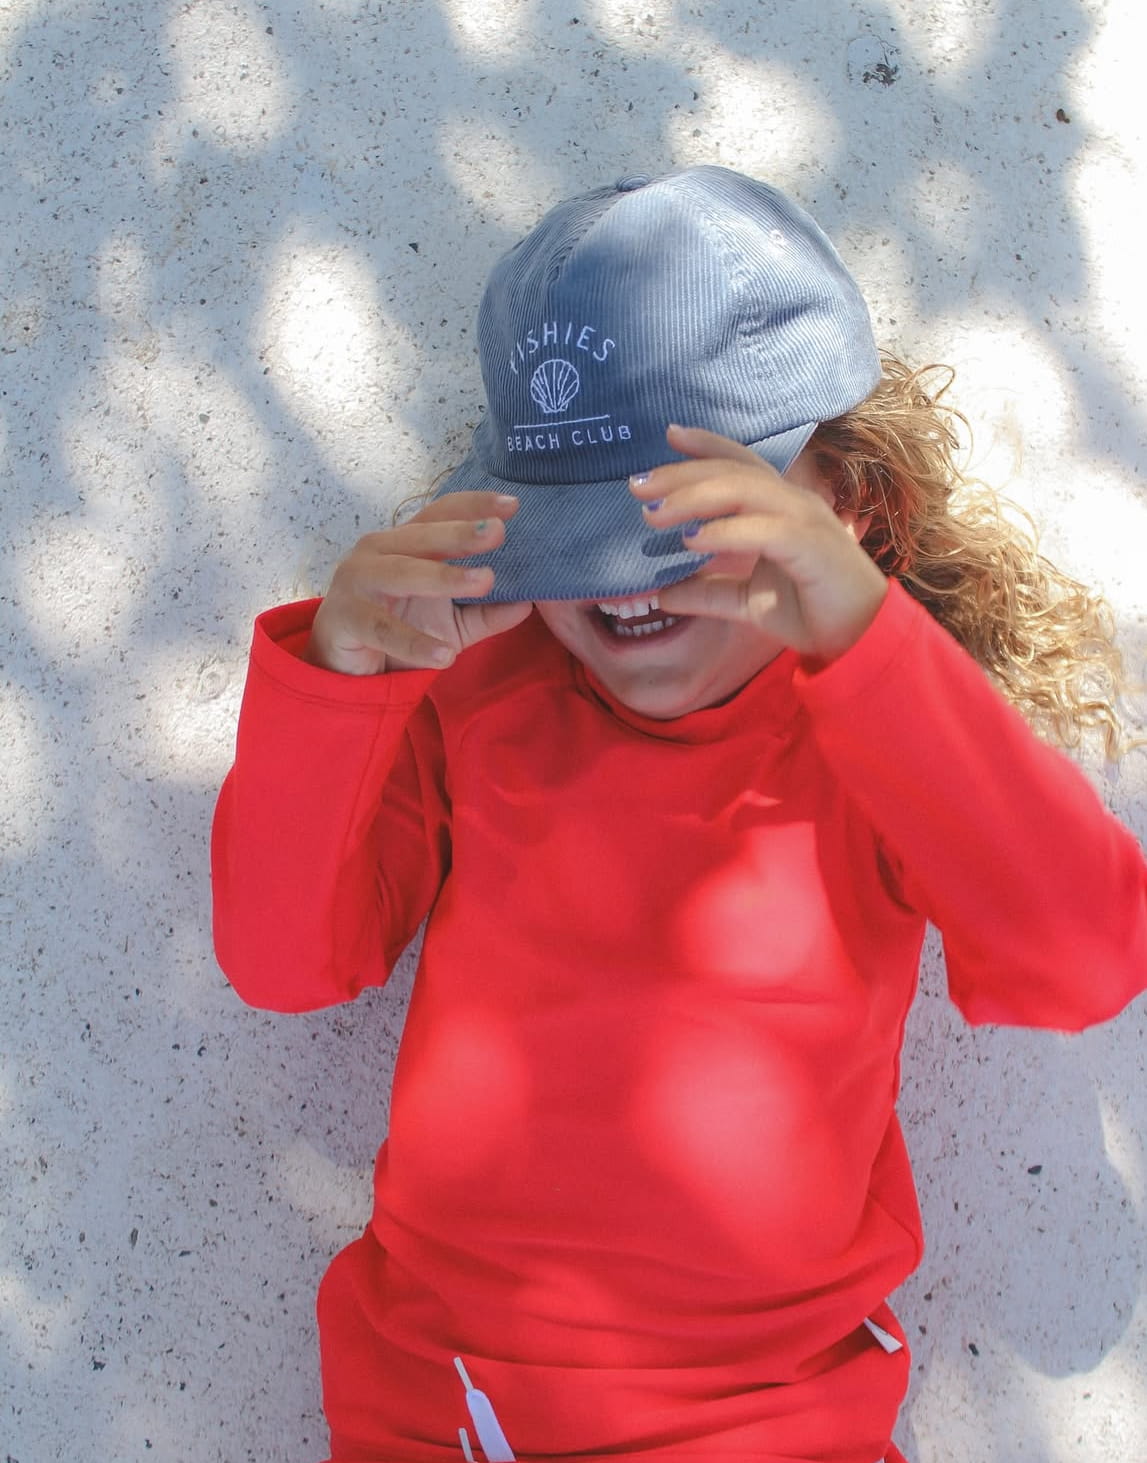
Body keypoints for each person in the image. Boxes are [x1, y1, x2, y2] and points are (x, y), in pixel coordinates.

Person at [211, 167, 1147, 1463]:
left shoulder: (880, 737)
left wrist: (874, 645)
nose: (624, 580)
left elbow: (1084, 958)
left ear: (854, 507)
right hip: (448, 1402)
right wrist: (346, 674)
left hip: (770, 1419)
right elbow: (284, 961)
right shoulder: (480, 696)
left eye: (686, 520)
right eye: (580, 528)